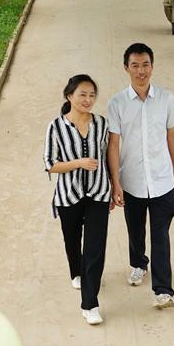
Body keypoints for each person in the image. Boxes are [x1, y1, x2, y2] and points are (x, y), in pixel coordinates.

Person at [107, 43, 174, 310]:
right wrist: (115, 182)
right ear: (126, 68)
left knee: (160, 233)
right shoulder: (116, 103)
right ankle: (138, 263)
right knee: (135, 229)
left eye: (146, 65)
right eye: (135, 65)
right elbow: (113, 145)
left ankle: (163, 291)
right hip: (133, 180)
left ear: (152, 66)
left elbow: (172, 136)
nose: (141, 71)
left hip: (161, 178)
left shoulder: (166, 99)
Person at [44, 75, 111, 325]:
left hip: (99, 193)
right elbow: (50, 164)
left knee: (95, 247)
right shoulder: (56, 127)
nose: (88, 99)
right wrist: (78, 164)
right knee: (73, 241)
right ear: (69, 95)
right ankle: (76, 272)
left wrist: (115, 188)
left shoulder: (102, 124)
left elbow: (109, 157)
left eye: (92, 95)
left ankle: (89, 304)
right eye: (82, 94)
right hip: (68, 195)